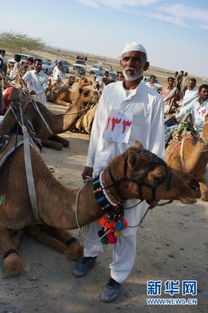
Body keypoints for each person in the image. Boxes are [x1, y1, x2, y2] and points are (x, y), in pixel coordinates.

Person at [72, 42, 165, 302]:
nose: (130, 64)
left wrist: (154, 184)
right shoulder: (110, 91)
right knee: (93, 216)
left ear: (145, 65)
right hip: (103, 169)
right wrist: (90, 162)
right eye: (126, 59)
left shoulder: (153, 100)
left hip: (132, 180)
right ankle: (89, 255)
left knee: (127, 227)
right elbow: (98, 130)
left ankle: (117, 277)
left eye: (136, 60)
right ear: (120, 62)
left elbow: (157, 143)